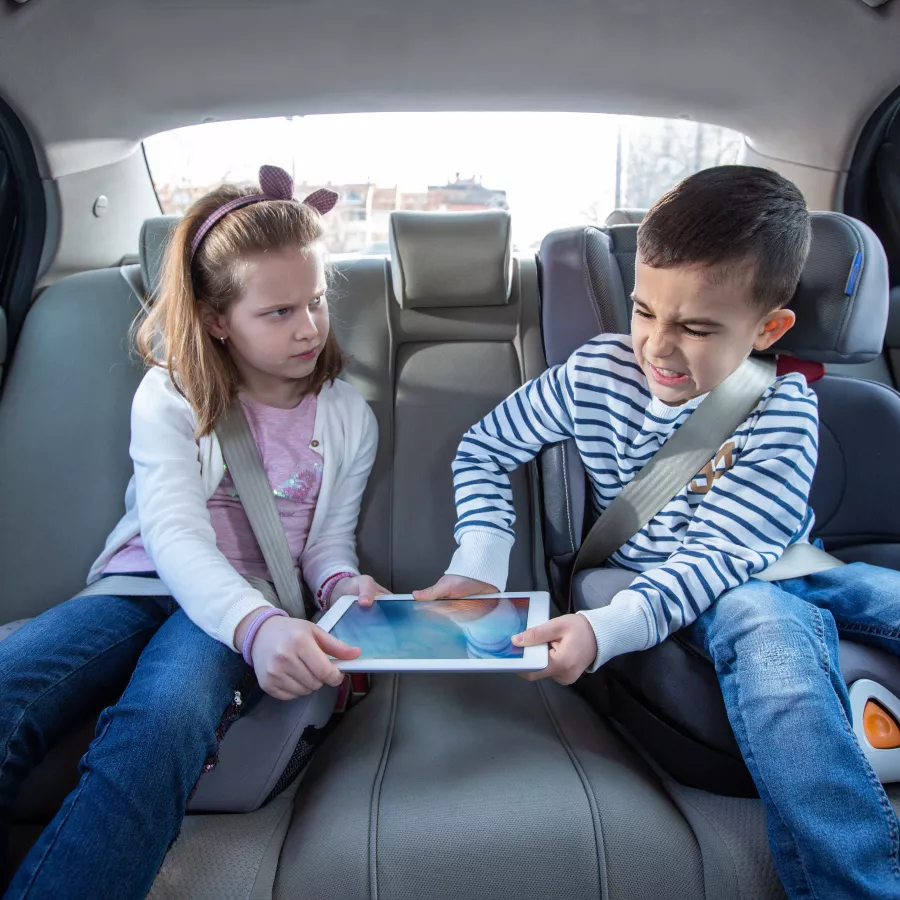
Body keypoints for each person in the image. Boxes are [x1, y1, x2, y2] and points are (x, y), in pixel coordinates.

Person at [415, 165, 900, 899]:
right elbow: (486, 447)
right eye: (645, 311)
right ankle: (853, 885)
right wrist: (483, 559)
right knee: (769, 628)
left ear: (768, 328)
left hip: (779, 560)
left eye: (698, 327)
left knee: (833, 596)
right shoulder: (597, 373)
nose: (658, 348)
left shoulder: (785, 414)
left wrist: (604, 629)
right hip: (685, 579)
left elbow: (724, 553)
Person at [0, 165, 385, 899]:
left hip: (251, 599)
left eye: (315, 302)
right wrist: (255, 627)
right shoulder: (173, 392)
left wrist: (343, 587)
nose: (307, 326)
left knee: (165, 720)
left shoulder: (346, 417)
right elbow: (173, 534)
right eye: (277, 312)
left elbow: (327, 544)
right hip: (141, 587)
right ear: (216, 319)